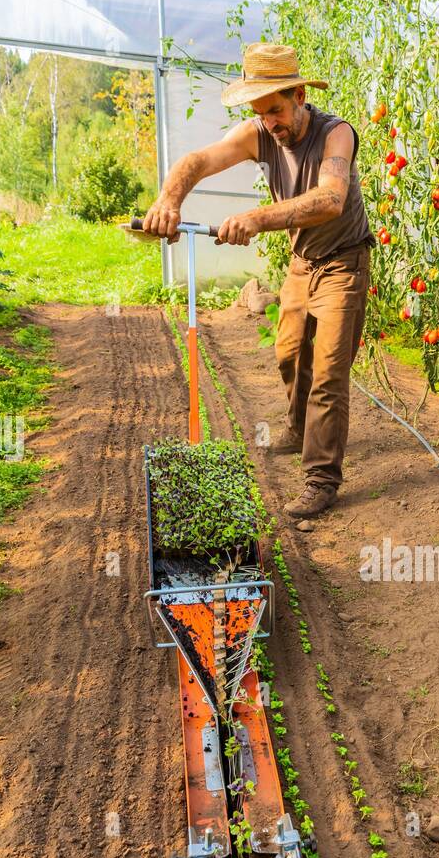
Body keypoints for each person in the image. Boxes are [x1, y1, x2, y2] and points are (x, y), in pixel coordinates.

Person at [143, 43, 376, 519]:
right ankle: (297, 427)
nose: (269, 122)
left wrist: (256, 217)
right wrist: (169, 200)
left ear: (300, 94)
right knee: (290, 354)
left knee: (329, 374)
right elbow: (197, 161)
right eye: (260, 112)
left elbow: (331, 199)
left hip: (344, 262)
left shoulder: (337, 135)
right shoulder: (259, 132)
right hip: (301, 262)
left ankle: (321, 479)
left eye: (275, 109)